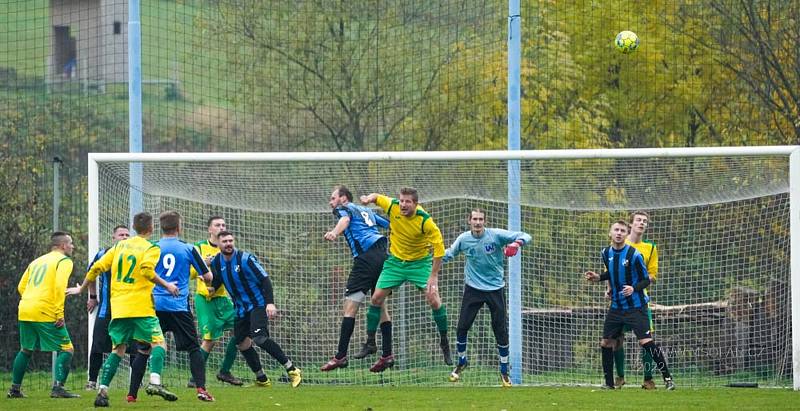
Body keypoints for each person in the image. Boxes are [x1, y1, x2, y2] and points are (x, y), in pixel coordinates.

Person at [67, 212, 181, 407]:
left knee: (118, 350)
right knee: (159, 344)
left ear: (134, 227)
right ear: (152, 228)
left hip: (118, 308)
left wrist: (81, 288)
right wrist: (167, 285)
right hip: (141, 308)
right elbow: (146, 270)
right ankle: (155, 382)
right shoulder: (151, 248)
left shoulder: (118, 246)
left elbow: (95, 268)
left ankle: (102, 391)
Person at [360, 187, 451, 372]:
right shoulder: (392, 206)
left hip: (419, 263)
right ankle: (370, 342)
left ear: (415, 204)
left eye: (407, 201)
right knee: (376, 298)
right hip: (395, 262)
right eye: (401, 200)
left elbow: (439, 249)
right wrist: (368, 198)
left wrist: (433, 276)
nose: (403, 204)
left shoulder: (425, 221)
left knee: (434, 300)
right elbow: (377, 197)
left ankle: (444, 342)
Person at [127, 211, 214, 402]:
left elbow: (143, 273)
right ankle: (201, 389)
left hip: (153, 306)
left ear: (161, 227)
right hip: (178, 307)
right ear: (178, 227)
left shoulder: (152, 247)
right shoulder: (188, 248)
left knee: (144, 349)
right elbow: (208, 276)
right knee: (193, 349)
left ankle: (132, 395)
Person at [443, 209, 531, 387]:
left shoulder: (496, 236)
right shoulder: (464, 239)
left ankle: (504, 370)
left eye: (480, 219)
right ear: (469, 221)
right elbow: (449, 254)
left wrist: (516, 244)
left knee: (500, 330)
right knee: (462, 327)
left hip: (495, 289)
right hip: (473, 289)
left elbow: (525, 235)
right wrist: (430, 255)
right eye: (474, 219)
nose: (477, 222)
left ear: (485, 221)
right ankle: (462, 361)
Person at [584, 220, 675, 390]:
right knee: (606, 343)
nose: (619, 233)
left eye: (622, 231)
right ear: (610, 233)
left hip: (636, 307)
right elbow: (611, 272)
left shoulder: (634, 255)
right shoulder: (605, 252)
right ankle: (609, 383)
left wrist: (634, 288)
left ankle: (668, 379)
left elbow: (646, 280)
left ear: (626, 235)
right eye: (616, 230)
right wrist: (598, 278)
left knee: (646, 342)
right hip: (617, 307)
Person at [208, 231, 302, 387]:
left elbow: (265, 280)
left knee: (259, 338)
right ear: (218, 244)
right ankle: (262, 378)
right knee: (241, 343)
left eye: (231, 240)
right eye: (224, 241)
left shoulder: (245, 259)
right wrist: (210, 289)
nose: (229, 243)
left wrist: (270, 303)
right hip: (240, 309)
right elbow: (218, 281)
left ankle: (292, 369)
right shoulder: (217, 262)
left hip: (257, 305)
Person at [320, 185, 391, 371]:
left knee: (350, 306)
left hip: (366, 258)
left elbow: (344, 220)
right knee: (380, 304)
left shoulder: (344, 208)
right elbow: (390, 225)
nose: (331, 202)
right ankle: (387, 354)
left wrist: (335, 232)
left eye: (333, 198)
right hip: (383, 255)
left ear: (343, 198)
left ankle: (340, 356)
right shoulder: (366, 209)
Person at [8, 232, 79, 399]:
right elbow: (59, 287)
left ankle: (14, 389)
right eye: (71, 243)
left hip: (25, 308)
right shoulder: (64, 261)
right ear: (63, 246)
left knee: (25, 349)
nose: (73, 247)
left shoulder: (37, 261)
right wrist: (59, 313)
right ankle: (58, 388)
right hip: (45, 310)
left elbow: (21, 286)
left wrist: (32, 297)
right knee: (67, 349)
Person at [188, 216, 243, 387]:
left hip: (222, 299)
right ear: (209, 230)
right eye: (217, 225)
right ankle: (194, 379)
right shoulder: (198, 247)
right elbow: (188, 273)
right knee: (210, 340)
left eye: (224, 225)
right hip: (205, 300)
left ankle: (225, 371)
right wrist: (202, 265)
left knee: (241, 330)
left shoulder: (228, 250)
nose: (221, 227)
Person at [611, 210, 660, 389]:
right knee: (617, 338)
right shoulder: (619, 243)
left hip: (640, 300)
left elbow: (653, 275)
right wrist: (608, 289)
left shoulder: (651, 248)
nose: (642, 223)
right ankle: (620, 377)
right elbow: (611, 270)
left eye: (645, 221)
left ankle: (648, 379)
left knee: (646, 340)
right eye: (638, 220)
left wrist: (638, 280)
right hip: (620, 301)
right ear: (630, 224)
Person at [85, 225, 130, 391]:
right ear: (114, 238)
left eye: (127, 235)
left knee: (134, 346)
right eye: (121, 234)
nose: (124, 237)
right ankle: (91, 381)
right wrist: (93, 297)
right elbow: (90, 274)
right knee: (97, 345)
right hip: (106, 309)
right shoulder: (103, 254)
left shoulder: (133, 255)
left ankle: (136, 382)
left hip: (127, 309)